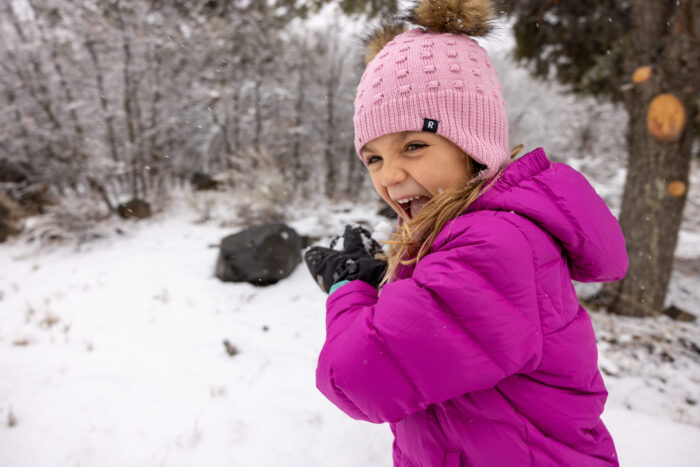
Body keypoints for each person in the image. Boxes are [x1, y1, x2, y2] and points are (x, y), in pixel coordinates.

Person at [303, 0, 628, 465]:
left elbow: (356, 380)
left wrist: (349, 289)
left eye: (413, 145)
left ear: (473, 146)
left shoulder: (494, 245)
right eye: (373, 158)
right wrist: (383, 285)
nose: (389, 176)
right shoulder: (463, 238)